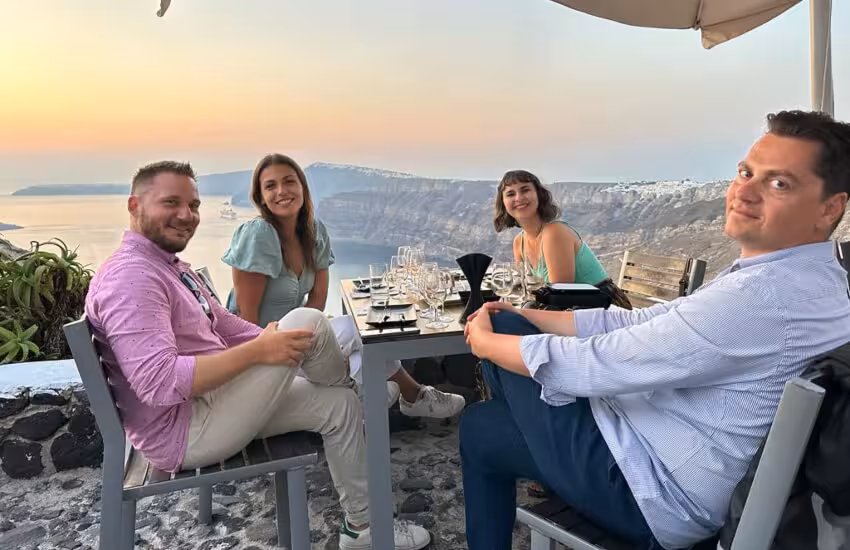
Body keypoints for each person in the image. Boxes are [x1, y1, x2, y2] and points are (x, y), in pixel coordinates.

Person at [461, 110, 850, 550]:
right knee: (481, 428)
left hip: (654, 494)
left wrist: (489, 342)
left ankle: (539, 442)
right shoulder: (815, 280)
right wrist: (529, 316)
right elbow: (641, 321)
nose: (744, 191)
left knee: (501, 331)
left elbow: (598, 364)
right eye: (746, 173)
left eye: (779, 183)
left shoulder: (762, 298)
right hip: (667, 461)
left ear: (829, 208)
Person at [85, 161, 431, 550]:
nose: (187, 215)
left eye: (193, 205)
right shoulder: (132, 278)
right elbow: (160, 383)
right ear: (134, 205)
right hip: (186, 430)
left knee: (341, 404)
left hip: (216, 401)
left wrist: (273, 342)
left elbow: (225, 324)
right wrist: (261, 351)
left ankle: (362, 528)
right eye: (171, 203)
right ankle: (363, 388)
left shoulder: (167, 266)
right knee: (310, 321)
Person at [222, 153, 465, 419]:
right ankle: (402, 396)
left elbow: (317, 301)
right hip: (263, 352)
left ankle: (401, 397)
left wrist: (318, 349)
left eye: (289, 181)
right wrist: (293, 354)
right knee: (353, 331)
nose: (281, 191)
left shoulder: (314, 232)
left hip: (299, 338)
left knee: (366, 345)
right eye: (270, 186)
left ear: (302, 187)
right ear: (260, 197)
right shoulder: (259, 234)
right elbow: (246, 320)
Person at [494, 169, 632, 308]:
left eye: (525, 190)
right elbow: (524, 291)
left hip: (604, 306)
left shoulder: (554, 232)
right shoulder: (519, 242)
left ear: (539, 195)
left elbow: (561, 297)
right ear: (503, 203)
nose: (518, 198)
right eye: (510, 194)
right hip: (569, 309)